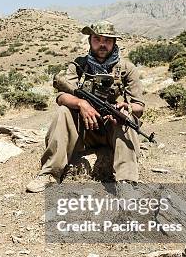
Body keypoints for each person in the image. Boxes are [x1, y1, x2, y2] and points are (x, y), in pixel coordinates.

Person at [26, 20, 145, 193]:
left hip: (112, 131)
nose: (102, 44)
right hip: (83, 131)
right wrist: (81, 103)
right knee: (63, 112)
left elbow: (139, 107)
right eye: (97, 39)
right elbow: (61, 97)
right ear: (90, 40)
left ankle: (126, 183)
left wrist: (125, 108)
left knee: (126, 118)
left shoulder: (127, 69)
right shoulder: (78, 65)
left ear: (114, 42)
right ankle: (50, 173)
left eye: (108, 40)